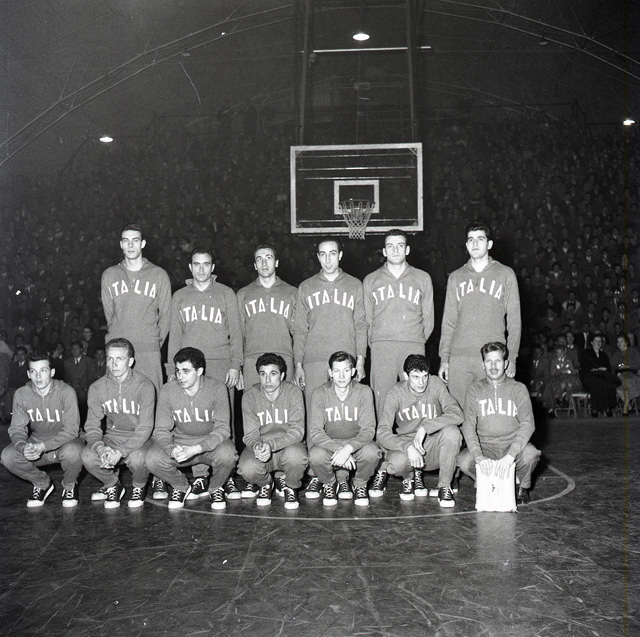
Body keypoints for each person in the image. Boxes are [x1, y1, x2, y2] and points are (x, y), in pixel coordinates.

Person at [165, 246, 243, 499]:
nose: (201, 269)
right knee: (194, 418)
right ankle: (200, 475)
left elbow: (236, 332)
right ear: (190, 267)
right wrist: (171, 369)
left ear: (213, 267)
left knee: (223, 421)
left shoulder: (225, 293)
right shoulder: (180, 296)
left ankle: (226, 476)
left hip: (220, 363)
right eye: (196, 264)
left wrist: (235, 364)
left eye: (206, 264)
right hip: (189, 366)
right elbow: (175, 336)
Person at [438, 220, 521, 406]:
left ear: (489, 244)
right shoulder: (455, 277)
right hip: (459, 359)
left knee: (490, 414)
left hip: (491, 357)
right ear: (466, 245)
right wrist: (444, 359)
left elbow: (514, 321)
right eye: (471, 240)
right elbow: (448, 322)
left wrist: (512, 357)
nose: (475, 244)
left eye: (480, 239)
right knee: (459, 414)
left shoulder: (505, 274)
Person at [145, 347, 238, 510]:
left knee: (228, 454)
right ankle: (180, 486)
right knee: (152, 459)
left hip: (209, 444)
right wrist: (171, 449)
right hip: (180, 444)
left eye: (186, 371)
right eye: (178, 371)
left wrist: (197, 449)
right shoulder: (168, 390)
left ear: (199, 371)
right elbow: (160, 430)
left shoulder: (217, 388)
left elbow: (223, 429)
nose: (180, 376)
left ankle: (216, 487)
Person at [372, 354, 463, 507]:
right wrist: (407, 447)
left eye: (424, 376)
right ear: (405, 376)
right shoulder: (395, 392)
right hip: (407, 449)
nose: (421, 383)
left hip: (431, 448)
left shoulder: (435, 383)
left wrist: (425, 428)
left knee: (452, 432)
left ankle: (444, 486)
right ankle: (409, 478)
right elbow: (382, 433)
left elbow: (457, 414)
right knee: (397, 462)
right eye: (415, 377)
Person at [457, 342, 540, 505]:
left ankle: (521, 484)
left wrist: (511, 455)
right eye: (489, 361)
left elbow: (528, 424)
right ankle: (487, 479)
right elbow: (468, 425)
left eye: (498, 361)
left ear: (506, 363)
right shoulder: (474, 389)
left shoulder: (518, 388)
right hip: (485, 447)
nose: (493, 366)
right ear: (483, 364)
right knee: (463, 461)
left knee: (531, 454)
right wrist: (479, 456)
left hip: (512, 447)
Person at [1, 351, 84, 507]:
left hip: (66, 442)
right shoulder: (21, 394)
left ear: (52, 372)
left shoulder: (66, 391)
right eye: (33, 371)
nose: (38, 376)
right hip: (38, 441)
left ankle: (69, 486)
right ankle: (42, 484)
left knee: (73, 452)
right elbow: (17, 429)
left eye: (43, 370)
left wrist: (44, 446)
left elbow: (72, 430)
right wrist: (23, 446)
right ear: (28, 374)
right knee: (8, 456)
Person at [363, 230, 435, 412]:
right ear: (384, 251)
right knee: (381, 400)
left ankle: (416, 432)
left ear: (407, 250)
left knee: (415, 401)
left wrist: (416, 339)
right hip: (382, 347)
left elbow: (429, 319)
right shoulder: (371, 280)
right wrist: (376, 341)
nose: (395, 250)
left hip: (412, 345)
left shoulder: (422, 278)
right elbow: (367, 320)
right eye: (390, 246)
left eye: (400, 246)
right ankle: (382, 432)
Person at [81, 338, 155, 508]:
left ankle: (139, 486)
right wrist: (100, 448)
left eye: (119, 359)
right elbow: (92, 426)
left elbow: (145, 428)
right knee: (87, 455)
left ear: (130, 361)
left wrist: (120, 452)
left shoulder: (145, 385)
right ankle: (112, 484)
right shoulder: (97, 387)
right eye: (110, 359)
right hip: (113, 436)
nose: (114, 364)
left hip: (140, 438)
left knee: (137, 458)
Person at [101, 223, 171, 391]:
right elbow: (110, 315)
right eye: (126, 241)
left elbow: (166, 315)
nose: (130, 245)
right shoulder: (109, 275)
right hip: (118, 352)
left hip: (149, 351)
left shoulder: (159, 274)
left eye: (135, 240)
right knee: (118, 401)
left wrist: (152, 342)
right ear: (121, 244)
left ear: (143, 243)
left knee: (151, 399)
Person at [293, 239, 367, 397]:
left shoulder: (355, 285)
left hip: (345, 360)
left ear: (340, 255)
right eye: (323, 254)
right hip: (314, 360)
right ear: (318, 257)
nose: (328, 260)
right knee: (314, 409)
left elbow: (361, 325)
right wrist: (298, 365)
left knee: (344, 410)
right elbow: (299, 329)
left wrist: (360, 361)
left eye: (332, 254)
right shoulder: (306, 287)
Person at [307, 351, 380, 507]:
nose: (341, 376)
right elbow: (316, 432)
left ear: (353, 371)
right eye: (336, 371)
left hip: (356, 443)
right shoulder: (319, 393)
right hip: (330, 444)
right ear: (330, 372)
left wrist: (348, 448)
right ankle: (329, 483)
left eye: (346, 370)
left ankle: (359, 484)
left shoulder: (364, 391)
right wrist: (339, 449)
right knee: (315, 455)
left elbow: (368, 430)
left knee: (372, 452)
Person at [238, 353, 307, 510]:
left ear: (282, 376)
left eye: (273, 374)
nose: (267, 380)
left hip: (288, 446)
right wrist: (256, 446)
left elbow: (298, 431)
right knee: (246, 467)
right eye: (263, 374)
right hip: (263, 447)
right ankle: (266, 484)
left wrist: (272, 445)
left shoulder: (293, 392)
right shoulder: (249, 396)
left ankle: (290, 486)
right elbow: (250, 435)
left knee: (297, 457)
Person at [237, 244, 296, 388]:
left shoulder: (292, 293)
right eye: (259, 259)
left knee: (285, 401)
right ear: (255, 265)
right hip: (252, 359)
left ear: (276, 262)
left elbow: (299, 333)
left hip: (284, 358)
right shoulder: (243, 294)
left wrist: (298, 365)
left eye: (268, 258)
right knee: (252, 401)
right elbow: (238, 334)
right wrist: (237, 367)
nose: (264, 263)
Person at [579, 333, 619, 417]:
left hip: (602, 376)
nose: (598, 343)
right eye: (596, 341)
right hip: (589, 376)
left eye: (600, 341)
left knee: (607, 382)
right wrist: (597, 369)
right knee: (597, 382)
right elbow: (584, 367)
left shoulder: (604, 355)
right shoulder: (585, 353)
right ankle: (597, 408)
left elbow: (608, 368)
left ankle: (607, 407)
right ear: (592, 342)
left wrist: (602, 370)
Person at [541, 342, 582, 416]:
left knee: (569, 384)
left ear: (564, 353)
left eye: (561, 353)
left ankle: (566, 399)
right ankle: (560, 399)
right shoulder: (554, 361)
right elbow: (552, 373)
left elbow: (572, 371)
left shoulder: (568, 361)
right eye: (558, 353)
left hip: (568, 378)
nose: (560, 355)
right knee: (563, 384)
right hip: (558, 379)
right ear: (556, 354)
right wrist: (560, 370)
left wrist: (568, 371)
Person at [63, 340, 98, 421]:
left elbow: (92, 377)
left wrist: (84, 388)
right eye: (73, 349)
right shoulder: (67, 362)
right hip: (72, 389)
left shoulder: (89, 361)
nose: (74, 350)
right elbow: (66, 378)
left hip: (84, 390)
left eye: (77, 348)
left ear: (81, 349)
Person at [611, 334, 640, 415]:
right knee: (619, 385)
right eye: (618, 342)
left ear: (626, 342)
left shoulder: (634, 352)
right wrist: (618, 370)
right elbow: (613, 367)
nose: (619, 344)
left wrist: (628, 366)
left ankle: (626, 404)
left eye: (621, 341)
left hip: (632, 374)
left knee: (627, 382)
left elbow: (638, 364)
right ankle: (627, 405)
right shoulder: (616, 354)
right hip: (620, 375)